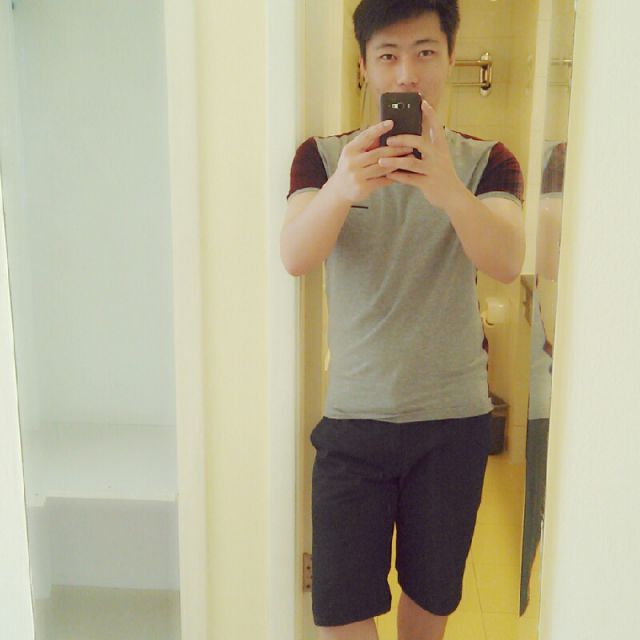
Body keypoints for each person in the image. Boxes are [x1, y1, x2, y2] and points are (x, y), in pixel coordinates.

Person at [281, 1, 525, 638]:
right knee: (340, 615)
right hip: (353, 422)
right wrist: (343, 189)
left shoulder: (489, 160)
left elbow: (507, 261)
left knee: (428, 609)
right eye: (388, 55)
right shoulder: (322, 157)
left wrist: (447, 189)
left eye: (425, 52)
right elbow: (295, 256)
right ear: (364, 67)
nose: (407, 72)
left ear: (450, 58)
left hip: (452, 425)